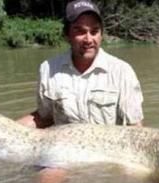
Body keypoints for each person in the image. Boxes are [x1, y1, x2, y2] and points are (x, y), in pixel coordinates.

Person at [17, 0, 144, 128]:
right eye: (80, 31)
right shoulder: (48, 69)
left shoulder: (122, 71)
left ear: (101, 35)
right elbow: (45, 118)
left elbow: (135, 128)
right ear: (67, 35)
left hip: (108, 147)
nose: (88, 39)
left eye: (94, 31)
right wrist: (8, 128)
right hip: (63, 146)